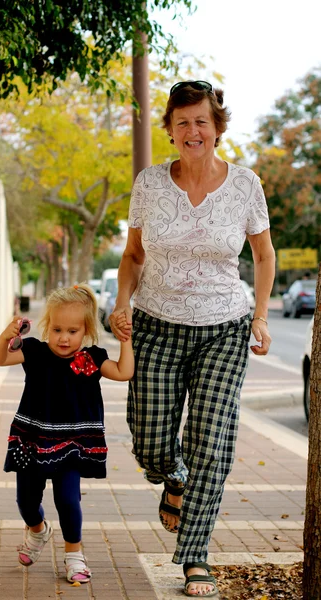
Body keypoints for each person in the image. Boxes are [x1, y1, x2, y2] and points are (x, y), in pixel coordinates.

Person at [109, 80, 275, 597]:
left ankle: (195, 555)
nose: (192, 130)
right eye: (182, 122)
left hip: (224, 328)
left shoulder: (246, 186)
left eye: (201, 120)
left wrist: (262, 317)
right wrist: (120, 303)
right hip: (156, 321)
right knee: (150, 443)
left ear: (217, 126)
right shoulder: (150, 184)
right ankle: (172, 476)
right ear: (171, 130)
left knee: (213, 442)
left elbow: (265, 257)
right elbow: (134, 255)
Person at [0, 283, 134, 584]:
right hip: (33, 439)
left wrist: (126, 341)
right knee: (26, 501)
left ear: (86, 331)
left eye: (72, 331)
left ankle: (74, 555)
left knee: (68, 499)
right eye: (57, 330)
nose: (64, 338)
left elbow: (124, 372)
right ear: (47, 327)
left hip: (72, 442)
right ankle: (38, 531)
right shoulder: (34, 352)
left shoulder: (91, 358)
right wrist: (7, 335)